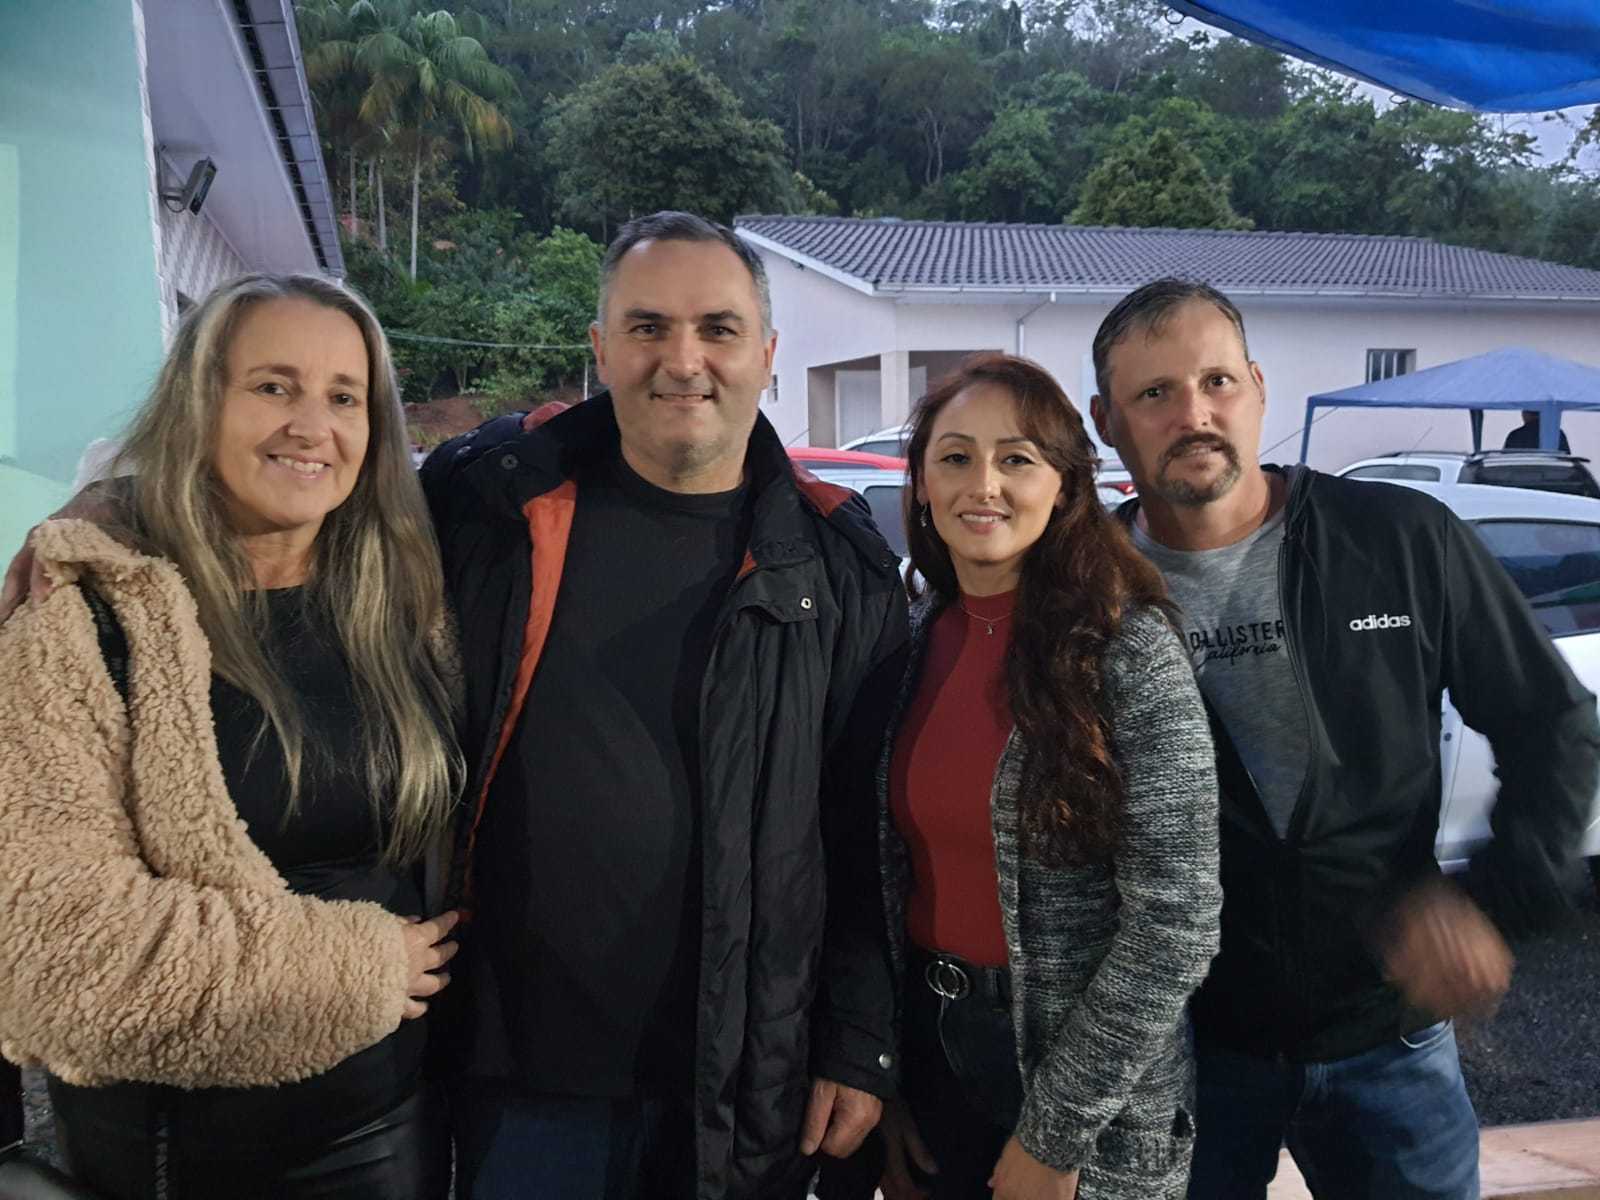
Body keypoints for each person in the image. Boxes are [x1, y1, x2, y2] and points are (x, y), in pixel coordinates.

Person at [417, 212, 907, 1199]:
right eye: (647, 328)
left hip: (741, 1082)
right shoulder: (486, 508)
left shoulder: (837, 567)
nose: (683, 361)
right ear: (600, 350)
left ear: (766, 355)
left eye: (717, 330)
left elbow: (873, 832)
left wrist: (860, 1039)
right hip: (523, 1084)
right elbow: (302, 527)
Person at [1088, 278, 1600, 1200]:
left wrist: (1495, 899)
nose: (1194, 414)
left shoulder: (1398, 539)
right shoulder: (1086, 592)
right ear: (1107, 422)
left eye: (1216, 381)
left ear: (1257, 389)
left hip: (1389, 1037)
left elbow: (1553, 722)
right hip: (1191, 1048)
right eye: (1154, 393)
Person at [0, 273, 465, 1199]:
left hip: (389, 1122)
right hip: (180, 1148)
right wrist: (362, 965)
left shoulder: (401, 602)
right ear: (198, 402)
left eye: (345, 397)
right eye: (272, 386)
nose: (312, 425)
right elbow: (58, 956)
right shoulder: (83, 621)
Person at [853, 353, 1221, 1200]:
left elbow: (1176, 924)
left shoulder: (1128, 653)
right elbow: (888, 879)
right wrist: (890, 1076)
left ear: (1064, 486)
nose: (983, 484)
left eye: (1016, 458)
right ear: (921, 485)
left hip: (1083, 1092)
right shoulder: (910, 640)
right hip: (932, 1060)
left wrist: (1055, 1133)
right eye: (955, 457)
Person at [1503, 409, 1572, 452]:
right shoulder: (1557, 434)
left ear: (1526, 414)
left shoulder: (1515, 435)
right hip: (1553, 471)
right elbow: (1566, 458)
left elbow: (1506, 460)